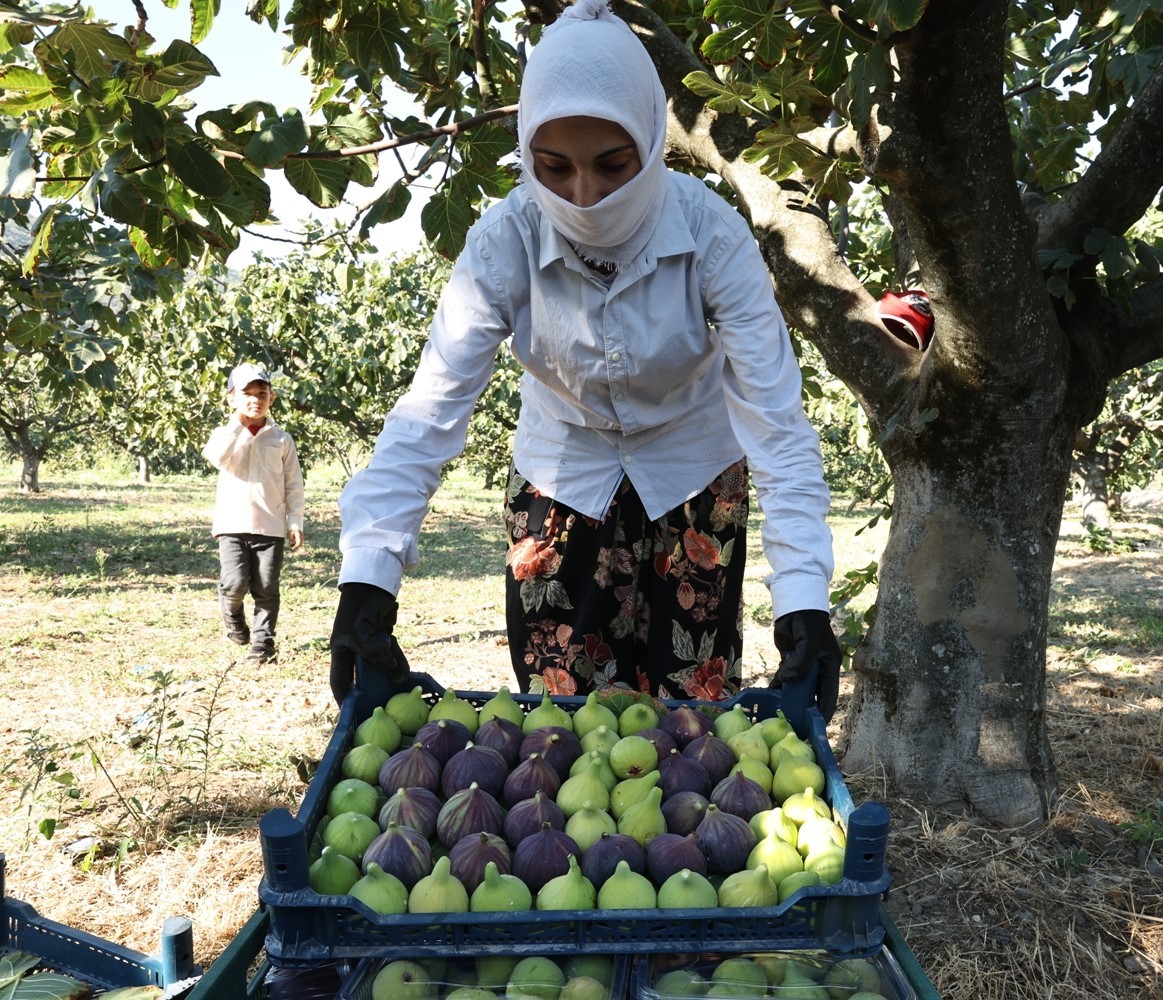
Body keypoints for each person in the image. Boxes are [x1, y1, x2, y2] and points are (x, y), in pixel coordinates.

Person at [330, 0, 839, 716]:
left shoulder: (713, 239)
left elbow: (778, 424)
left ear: (650, 143)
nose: (584, 195)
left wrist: (804, 604)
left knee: (689, 719)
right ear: (526, 155)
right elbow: (429, 411)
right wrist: (368, 583)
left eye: (612, 165)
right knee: (560, 727)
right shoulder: (504, 243)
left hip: (692, 471)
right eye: (553, 167)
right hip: (559, 474)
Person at [203, 362, 305, 662]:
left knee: (266, 589)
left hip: (270, 527)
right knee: (234, 584)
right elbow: (216, 457)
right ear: (231, 398)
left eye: (262, 393)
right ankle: (233, 616)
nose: (255, 400)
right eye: (247, 393)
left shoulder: (281, 439)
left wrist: (295, 521)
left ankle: (263, 646)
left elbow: (293, 484)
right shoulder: (225, 433)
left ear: (271, 398)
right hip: (232, 525)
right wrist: (238, 424)